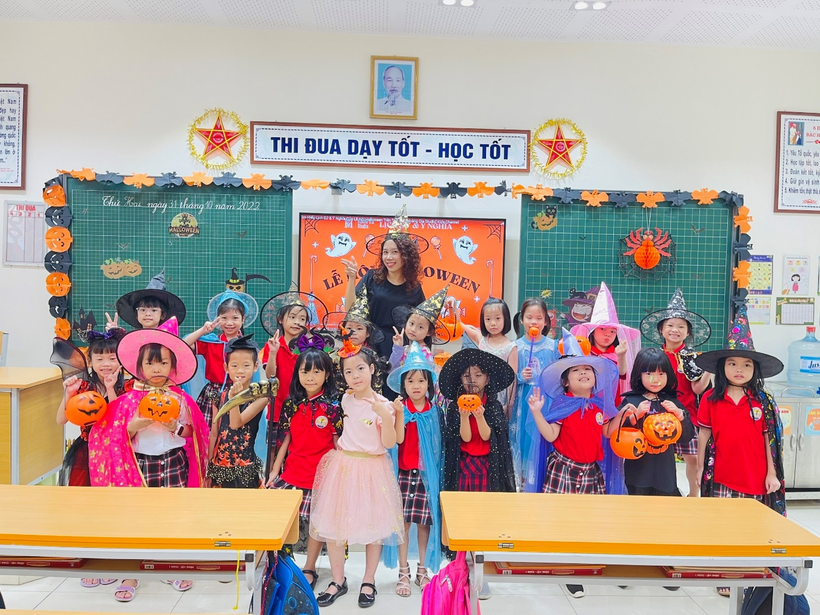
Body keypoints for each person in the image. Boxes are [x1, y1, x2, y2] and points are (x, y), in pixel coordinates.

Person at [88, 317, 209, 601]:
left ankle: (171, 564)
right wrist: (134, 425)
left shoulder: (180, 398)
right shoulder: (128, 400)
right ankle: (132, 572)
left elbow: (192, 433)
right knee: (137, 518)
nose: (157, 369)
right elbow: (113, 436)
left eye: (163, 363)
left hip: (174, 461)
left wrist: (174, 427)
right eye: (151, 363)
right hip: (140, 465)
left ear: (172, 366)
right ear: (140, 367)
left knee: (174, 515)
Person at [525, 329, 630, 599]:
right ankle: (566, 565)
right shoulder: (563, 404)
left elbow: (607, 432)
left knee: (586, 519)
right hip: (564, 468)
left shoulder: (598, 405)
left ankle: (581, 559)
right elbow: (551, 435)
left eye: (587, 369)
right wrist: (537, 413)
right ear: (566, 382)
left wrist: (622, 414)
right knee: (562, 518)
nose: (583, 372)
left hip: (590, 471)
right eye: (576, 370)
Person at [695, 305, 786, 596]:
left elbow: (769, 440)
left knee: (750, 527)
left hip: (755, 476)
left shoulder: (762, 401)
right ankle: (725, 573)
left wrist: (772, 474)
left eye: (746, 365)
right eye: (733, 363)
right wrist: (700, 468)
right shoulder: (711, 399)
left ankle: (748, 573)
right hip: (722, 474)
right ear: (722, 367)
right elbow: (704, 434)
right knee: (723, 525)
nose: (739, 369)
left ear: (755, 370)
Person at [309, 342, 404, 608]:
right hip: (344, 467)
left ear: (372, 369)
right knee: (334, 526)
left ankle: (369, 580)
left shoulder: (383, 404)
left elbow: (389, 443)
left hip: (372, 469)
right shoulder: (346, 399)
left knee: (374, 527)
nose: (355, 376)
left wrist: (386, 415)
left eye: (360, 368)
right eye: (348, 372)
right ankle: (337, 580)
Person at [51, 328, 128, 592]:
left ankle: (114, 556)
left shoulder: (126, 387)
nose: (106, 364)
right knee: (85, 505)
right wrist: (69, 394)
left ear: (121, 360)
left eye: (112, 358)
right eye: (100, 358)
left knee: (115, 507)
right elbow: (61, 419)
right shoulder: (82, 386)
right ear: (90, 361)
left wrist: (111, 389)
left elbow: (120, 421)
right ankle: (89, 557)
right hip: (85, 451)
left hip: (115, 453)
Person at [267, 347, 342, 588]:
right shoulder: (291, 404)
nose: (310, 377)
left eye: (316, 371)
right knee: (282, 521)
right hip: (292, 473)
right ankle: (281, 565)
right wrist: (274, 471)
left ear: (327, 374)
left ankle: (309, 567)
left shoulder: (333, 407)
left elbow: (337, 443)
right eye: (304, 371)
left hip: (322, 478)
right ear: (297, 374)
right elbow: (285, 439)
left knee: (317, 526)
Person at [383, 342, 444, 596]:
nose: (416, 385)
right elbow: (396, 440)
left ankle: (422, 569)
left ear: (429, 383)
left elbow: (438, 447)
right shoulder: (400, 408)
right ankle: (403, 571)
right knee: (403, 524)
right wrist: (398, 415)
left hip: (427, 476)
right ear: (403, 385)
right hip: (404, 474)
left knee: (424, 524)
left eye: (421, 380)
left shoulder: (435, 411)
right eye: (410, 381)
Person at [640, 288, 711, 497]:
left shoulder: (693, 358)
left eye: (681, 327)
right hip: (656, 413)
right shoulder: (654, 356)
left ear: (688, 332)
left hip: (686, 414)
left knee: (693, 458)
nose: (675, 330)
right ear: (661, 329)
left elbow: (697, 389)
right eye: (670, 325)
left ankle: (693, 495)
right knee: (658, 456)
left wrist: (708, 369)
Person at [342, 205, 426, 361]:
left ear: (406, 256)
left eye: (395, 252)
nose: (389, 257)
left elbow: (422, 324)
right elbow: (350, 310)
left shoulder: (415, 288)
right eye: (385, 252)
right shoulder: (372, 277)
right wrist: (352, 279)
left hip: (401, 349)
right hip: (371, 347)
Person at [619, 348, 694, 497]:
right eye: (649, 374)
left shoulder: (672, 401)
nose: (655, 380)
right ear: (639, 375)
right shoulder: (631, 401)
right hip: (637, 475)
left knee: (665, 509)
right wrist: (635, 416)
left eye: (661, 374)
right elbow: (617, 433)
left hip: (664, 475)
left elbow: (687, 437)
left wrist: (680, 415)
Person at [441, 348, 516, 495]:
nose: (472, 380)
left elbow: (488, 437)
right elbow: (465, 438)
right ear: (460, 379)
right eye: (466, 375)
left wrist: (480, 417)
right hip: (464, 463)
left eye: (478, 375)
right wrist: (464, 417)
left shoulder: (493, 405)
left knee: (485, 503)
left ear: (487, 379)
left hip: (488, 463)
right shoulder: (455, 406)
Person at [184, 290, 259, 426]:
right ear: (217, 319)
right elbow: (183, 345)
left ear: (243, 319)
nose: (229, 323)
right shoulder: (211, 342)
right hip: (213, 393)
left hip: (239, 391)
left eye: (235, 318)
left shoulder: (247, 346)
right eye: (224, 318)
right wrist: (203, 331)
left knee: (233, 430)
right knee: (209, 431)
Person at [207, 335, 268, 488]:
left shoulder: (260, 398)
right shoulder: (218, 396)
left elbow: (235, 423)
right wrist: (209, 466)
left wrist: (233, 398)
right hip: (220, 467)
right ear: (226, 368)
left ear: (255, 366)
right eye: (234, 366)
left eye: (246, 365)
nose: (240, 370)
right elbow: (214, 433)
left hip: (245, 468)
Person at [510, 298, 558, 490]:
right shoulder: (515, 347)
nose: (534, 322)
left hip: (545, 402)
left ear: (546, 321)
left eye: (539, 318)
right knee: (524, 440)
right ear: (522, 320)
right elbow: (508, 379)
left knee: (542, 438)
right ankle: (523, 484)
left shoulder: (554, 346)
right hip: (523, 401)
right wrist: (520, 377)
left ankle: (543, 480)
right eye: (529, 317)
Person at [570, 281, 641, 404]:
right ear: (593, 331)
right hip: (587, 401)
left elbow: (622, 373)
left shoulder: (616, 353)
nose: (608, 334)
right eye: (602, 329)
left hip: (612, 401)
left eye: (613, 331)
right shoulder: (585, 351)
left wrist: (621, 356)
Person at [450, 297, 518, 415]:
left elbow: (512, 381)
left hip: (500, 397)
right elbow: (459, 325)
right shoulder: (480, 339)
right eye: (488, 319)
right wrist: (453, 307)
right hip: (480, 392)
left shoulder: (511, 347)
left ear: (505, 319)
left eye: (497, 318)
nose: (493, 323)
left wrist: (509, 404)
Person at [389, 286, 450, 374]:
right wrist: (398, 348)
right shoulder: (404, 349)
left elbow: (429, 378)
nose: (413, 329)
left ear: (429, 332)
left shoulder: (425, 352)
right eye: (411, 323)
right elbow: (391, 370)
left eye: (420, 327)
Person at [111, 270, 186, 331]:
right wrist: (114, 335)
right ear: (136, 314)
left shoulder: (168, 339)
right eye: (143, 310)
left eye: (153, 310)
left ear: (162, 315)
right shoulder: (131, 338)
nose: (147, 314)